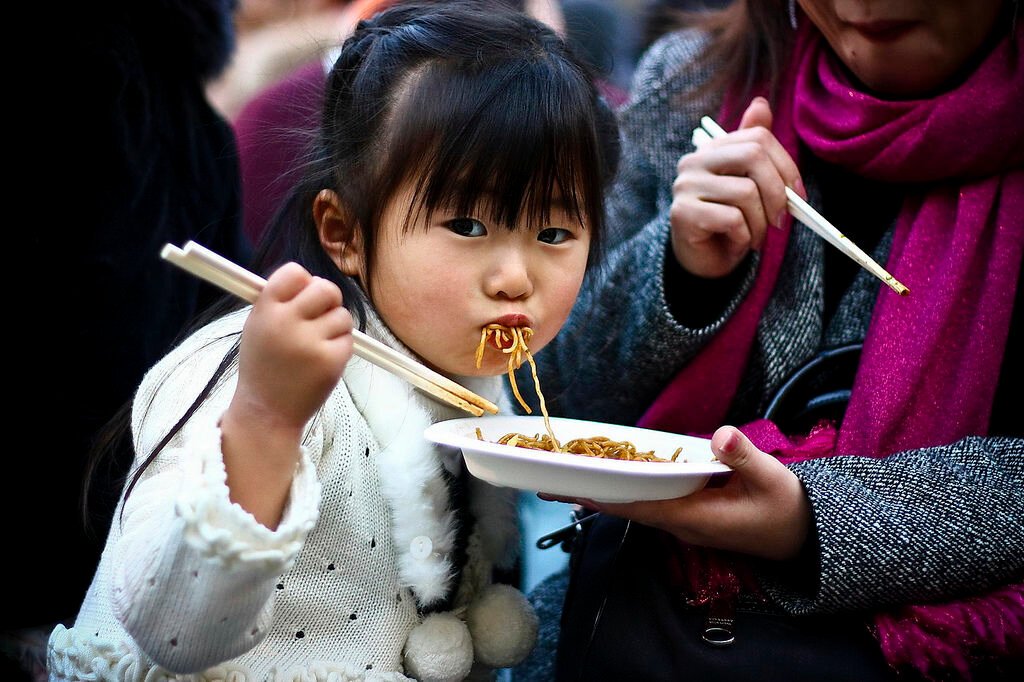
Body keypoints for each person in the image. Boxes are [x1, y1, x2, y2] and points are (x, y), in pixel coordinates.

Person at [46, 3, 618, 680]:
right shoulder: (257, 374)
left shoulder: (475, 379)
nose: (515, 278)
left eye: (554, 234)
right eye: (467, 224)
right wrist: (265, 419)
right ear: (344, 233)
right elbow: (172, 632)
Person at [515, 0, 1023, 680]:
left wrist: (813, 518)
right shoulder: (699, 81)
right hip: (630, 637)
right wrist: (681, 269)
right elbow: (552, 396)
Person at [2, 1, 250, 679]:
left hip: (125, 564)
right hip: (75, 562)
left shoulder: (180, 115)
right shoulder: (82, 92)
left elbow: (225, 318)